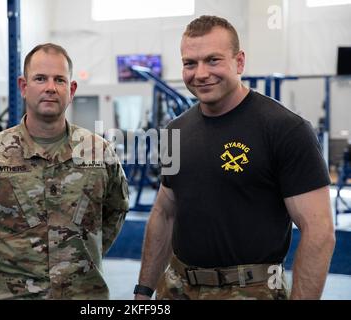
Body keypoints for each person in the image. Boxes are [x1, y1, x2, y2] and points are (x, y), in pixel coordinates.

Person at [134, 15, 335, 300]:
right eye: (190, 63)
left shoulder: (286, 129)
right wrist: (143, 291)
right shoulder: (175, 131)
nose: (200, 73)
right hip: (177, 287)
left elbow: (319, 231)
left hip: (251, 290)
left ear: (239, 62)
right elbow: (165, 212)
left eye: (213, 60)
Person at [0, 43, 129, 299]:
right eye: (40, 78)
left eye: (59, 80)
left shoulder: (99, 153)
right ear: (24, 86)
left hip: (81, 293)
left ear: (72, 89)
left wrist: (80, 259)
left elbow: (115, 212)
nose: (50, 87)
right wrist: (4, 267)